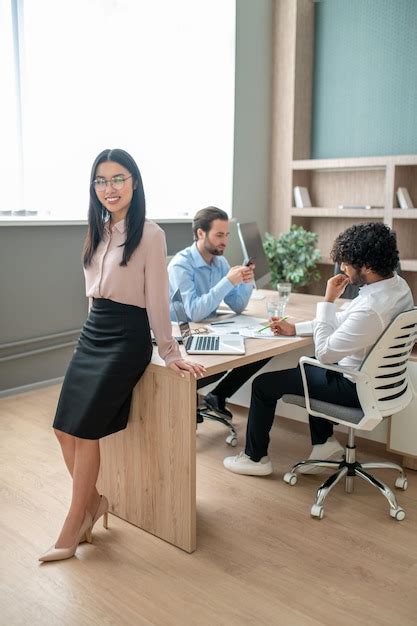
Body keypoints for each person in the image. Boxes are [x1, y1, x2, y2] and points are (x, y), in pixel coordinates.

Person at [39, 149, 205, 562]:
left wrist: (169, 351)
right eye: (101, 180)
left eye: (117, 179)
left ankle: (74, 521)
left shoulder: (150, 233)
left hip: (125, 338)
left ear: (134, 182)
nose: (108, 188)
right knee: (64, 428)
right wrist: (88, 334)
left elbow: (156, 298)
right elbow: (92, 290)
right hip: (93, 331)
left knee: (88, 431)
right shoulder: (97, 229)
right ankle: (94, 503)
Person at [223, 222, 414, 476]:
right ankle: (323, 444)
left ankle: (255, 459)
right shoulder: (396, 286)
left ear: (367, 266)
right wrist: (296, 329)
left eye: (346, 263)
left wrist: (327, 300)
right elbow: (346, 323)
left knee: (264, 385)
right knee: (308, 366)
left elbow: (326, 353)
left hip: (356, 387)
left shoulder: (371, 309)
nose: (343, 268)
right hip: (381, 381)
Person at [168, 206, 269, 418]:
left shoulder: (219, 262)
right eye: (219, 235)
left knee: (260, 352)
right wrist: (227, 281)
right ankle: (184, 404)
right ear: (200, 233)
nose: (225, 241)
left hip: (206, 329)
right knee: (226, 361)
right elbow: (193, 312)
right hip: (180, 335)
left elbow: (237, 305)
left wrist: (246, 281)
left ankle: (218, 395)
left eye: (227, 235)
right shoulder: (181, 265)